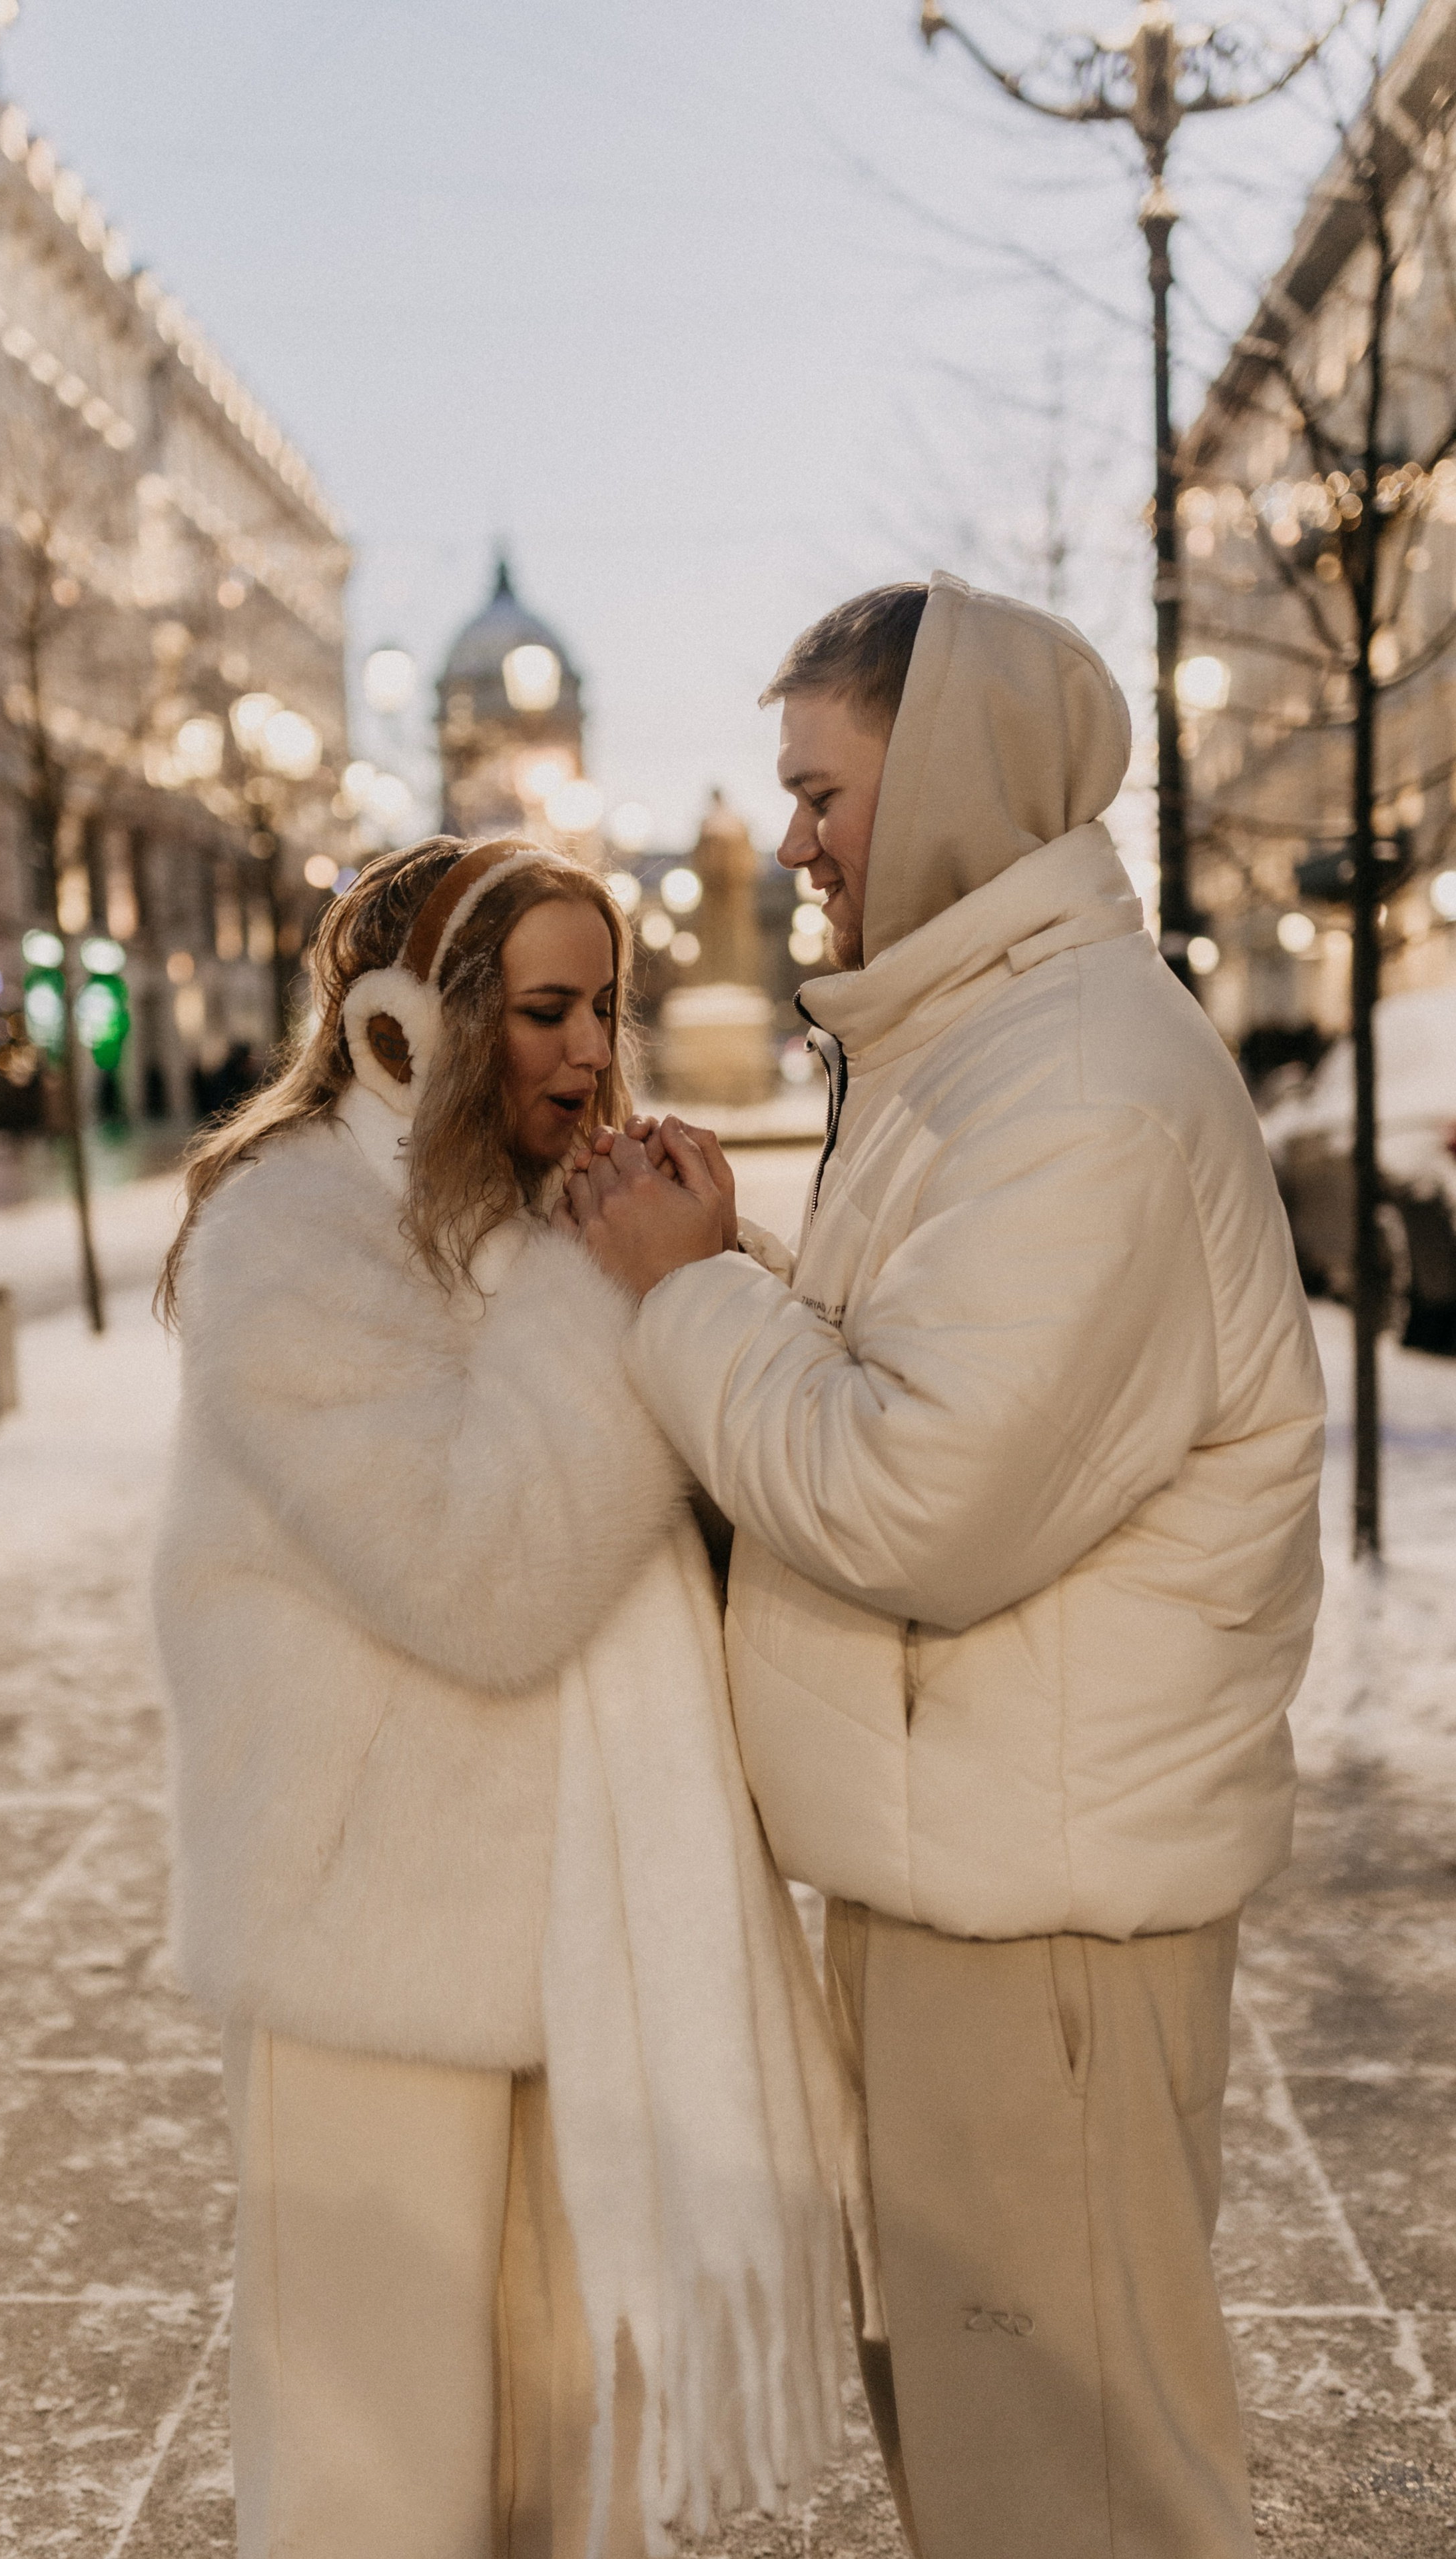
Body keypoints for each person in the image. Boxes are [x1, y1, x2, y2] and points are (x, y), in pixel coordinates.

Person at [563, 574, 1326, 2559]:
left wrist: (680, 1302)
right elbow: (937, 1386)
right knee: (1001, 2469)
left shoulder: (1079, 1087)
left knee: (1079, 2489)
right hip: (967, 1874)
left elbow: (921, 1498)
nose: (794, 838)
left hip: (1039, 1915)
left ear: (962, 772)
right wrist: (744, 1274)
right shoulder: (985, 1052)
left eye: (824, 789)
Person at [152, 835, 873, 2559]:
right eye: (544, 1008)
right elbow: (478, 1572)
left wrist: (708, 1284)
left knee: (576, 2458)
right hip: (365, 1951)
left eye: (603, 1007)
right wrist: (622, 1293)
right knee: (373, 2473)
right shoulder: (290, 1235)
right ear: (412, 1023)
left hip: (577, 1940)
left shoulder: (547, 1215)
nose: (586, 1048)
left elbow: (746, 1479)